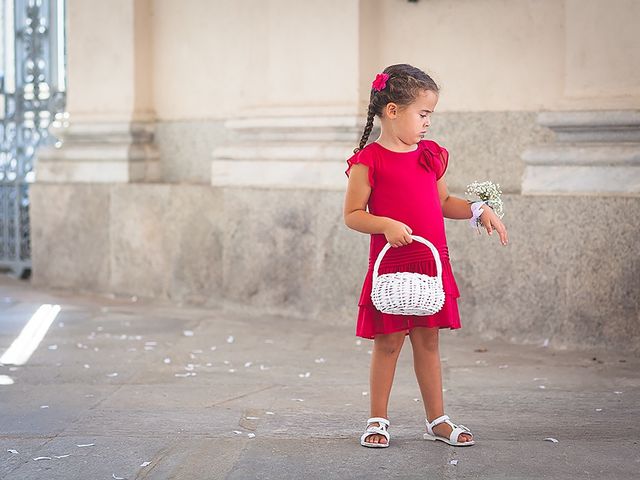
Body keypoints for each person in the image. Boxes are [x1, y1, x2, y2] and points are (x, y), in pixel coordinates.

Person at [343, 64, 509, 448]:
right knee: (387, 342)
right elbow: (352, 215)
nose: (428, 123)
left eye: (430, 115)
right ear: (393, 111)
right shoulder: (369, 161)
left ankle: (437, 420)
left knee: (429, 342)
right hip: (392, 267)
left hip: (430, 267)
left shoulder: (430, 156)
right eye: (423, 113)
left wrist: (477, 209)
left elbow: (444, 202)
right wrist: (384, 224)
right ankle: (378, 419)